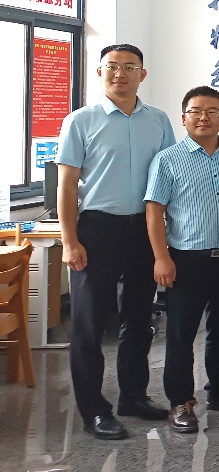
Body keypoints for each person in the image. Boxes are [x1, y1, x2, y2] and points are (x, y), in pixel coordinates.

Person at [57, 44, 176, 440]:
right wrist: (69, 240)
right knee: (89, 326)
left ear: (143, 74)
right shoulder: (80, 121)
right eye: (112, 66)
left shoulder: (158, 120)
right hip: (97, 230)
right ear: (99, 72)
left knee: (139, 320)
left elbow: (167, 179)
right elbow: (67, 186)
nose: (120, 74)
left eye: (129, 67)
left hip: (144, 230)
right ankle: (94, 410)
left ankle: (133, 397)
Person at [145, 85, 219, 433]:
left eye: (212, 111)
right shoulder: (167, 159)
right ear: (183, 118)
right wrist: (161, 257)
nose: (204, 117)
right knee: (181, 335)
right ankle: (180, 401)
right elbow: (154, 212)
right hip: (186, 260)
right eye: (196, 111)